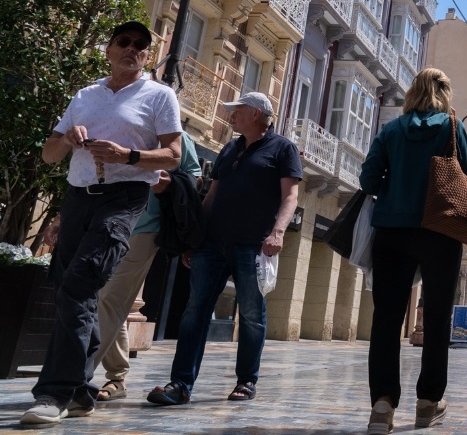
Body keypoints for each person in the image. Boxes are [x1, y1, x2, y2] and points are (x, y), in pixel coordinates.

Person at [21, 21, 182, 427]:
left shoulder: (159, 95)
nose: (132, 49)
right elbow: (49, 154)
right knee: (72, 289)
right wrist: (67, 138)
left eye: (141, 45)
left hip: (123, 199)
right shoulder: (85, 95)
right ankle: (80, 391)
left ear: (148, 55)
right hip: (78, 198)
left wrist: (127, 156)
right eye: (123, 42)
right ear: (109, 50)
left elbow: (174, 156)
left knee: (80, 284)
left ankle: (56, 392)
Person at [147, 92, 301, 407]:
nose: (231, 116)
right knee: (194, 312)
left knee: (251, 315)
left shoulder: (282, 148)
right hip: (213, 244)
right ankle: (180, 385)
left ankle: (246, 381)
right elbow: (212, 195)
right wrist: (195, 238)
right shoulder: (229, 148)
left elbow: (290, 196)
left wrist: (278, 232)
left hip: (254, 245)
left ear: (256, 114)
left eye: (237, 110)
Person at [359, 68, 467, 434]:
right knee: (438, 318)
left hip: (392, 231)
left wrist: (396, 186)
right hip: (440, 231)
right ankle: (428, 402)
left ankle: (382, 406)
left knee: (387, 318)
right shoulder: (453, 127)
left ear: (413, 92)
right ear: (445, 92)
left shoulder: (392, 129)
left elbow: (368, 179)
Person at [93, 132, 202, 402]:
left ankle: (73, 375)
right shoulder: (124, 124)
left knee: (109, 298)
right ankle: (117, 376)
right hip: (106, 223)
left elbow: (195, 177)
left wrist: (168, 183)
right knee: (108, 301)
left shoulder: (176, 135)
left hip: (145, 228)